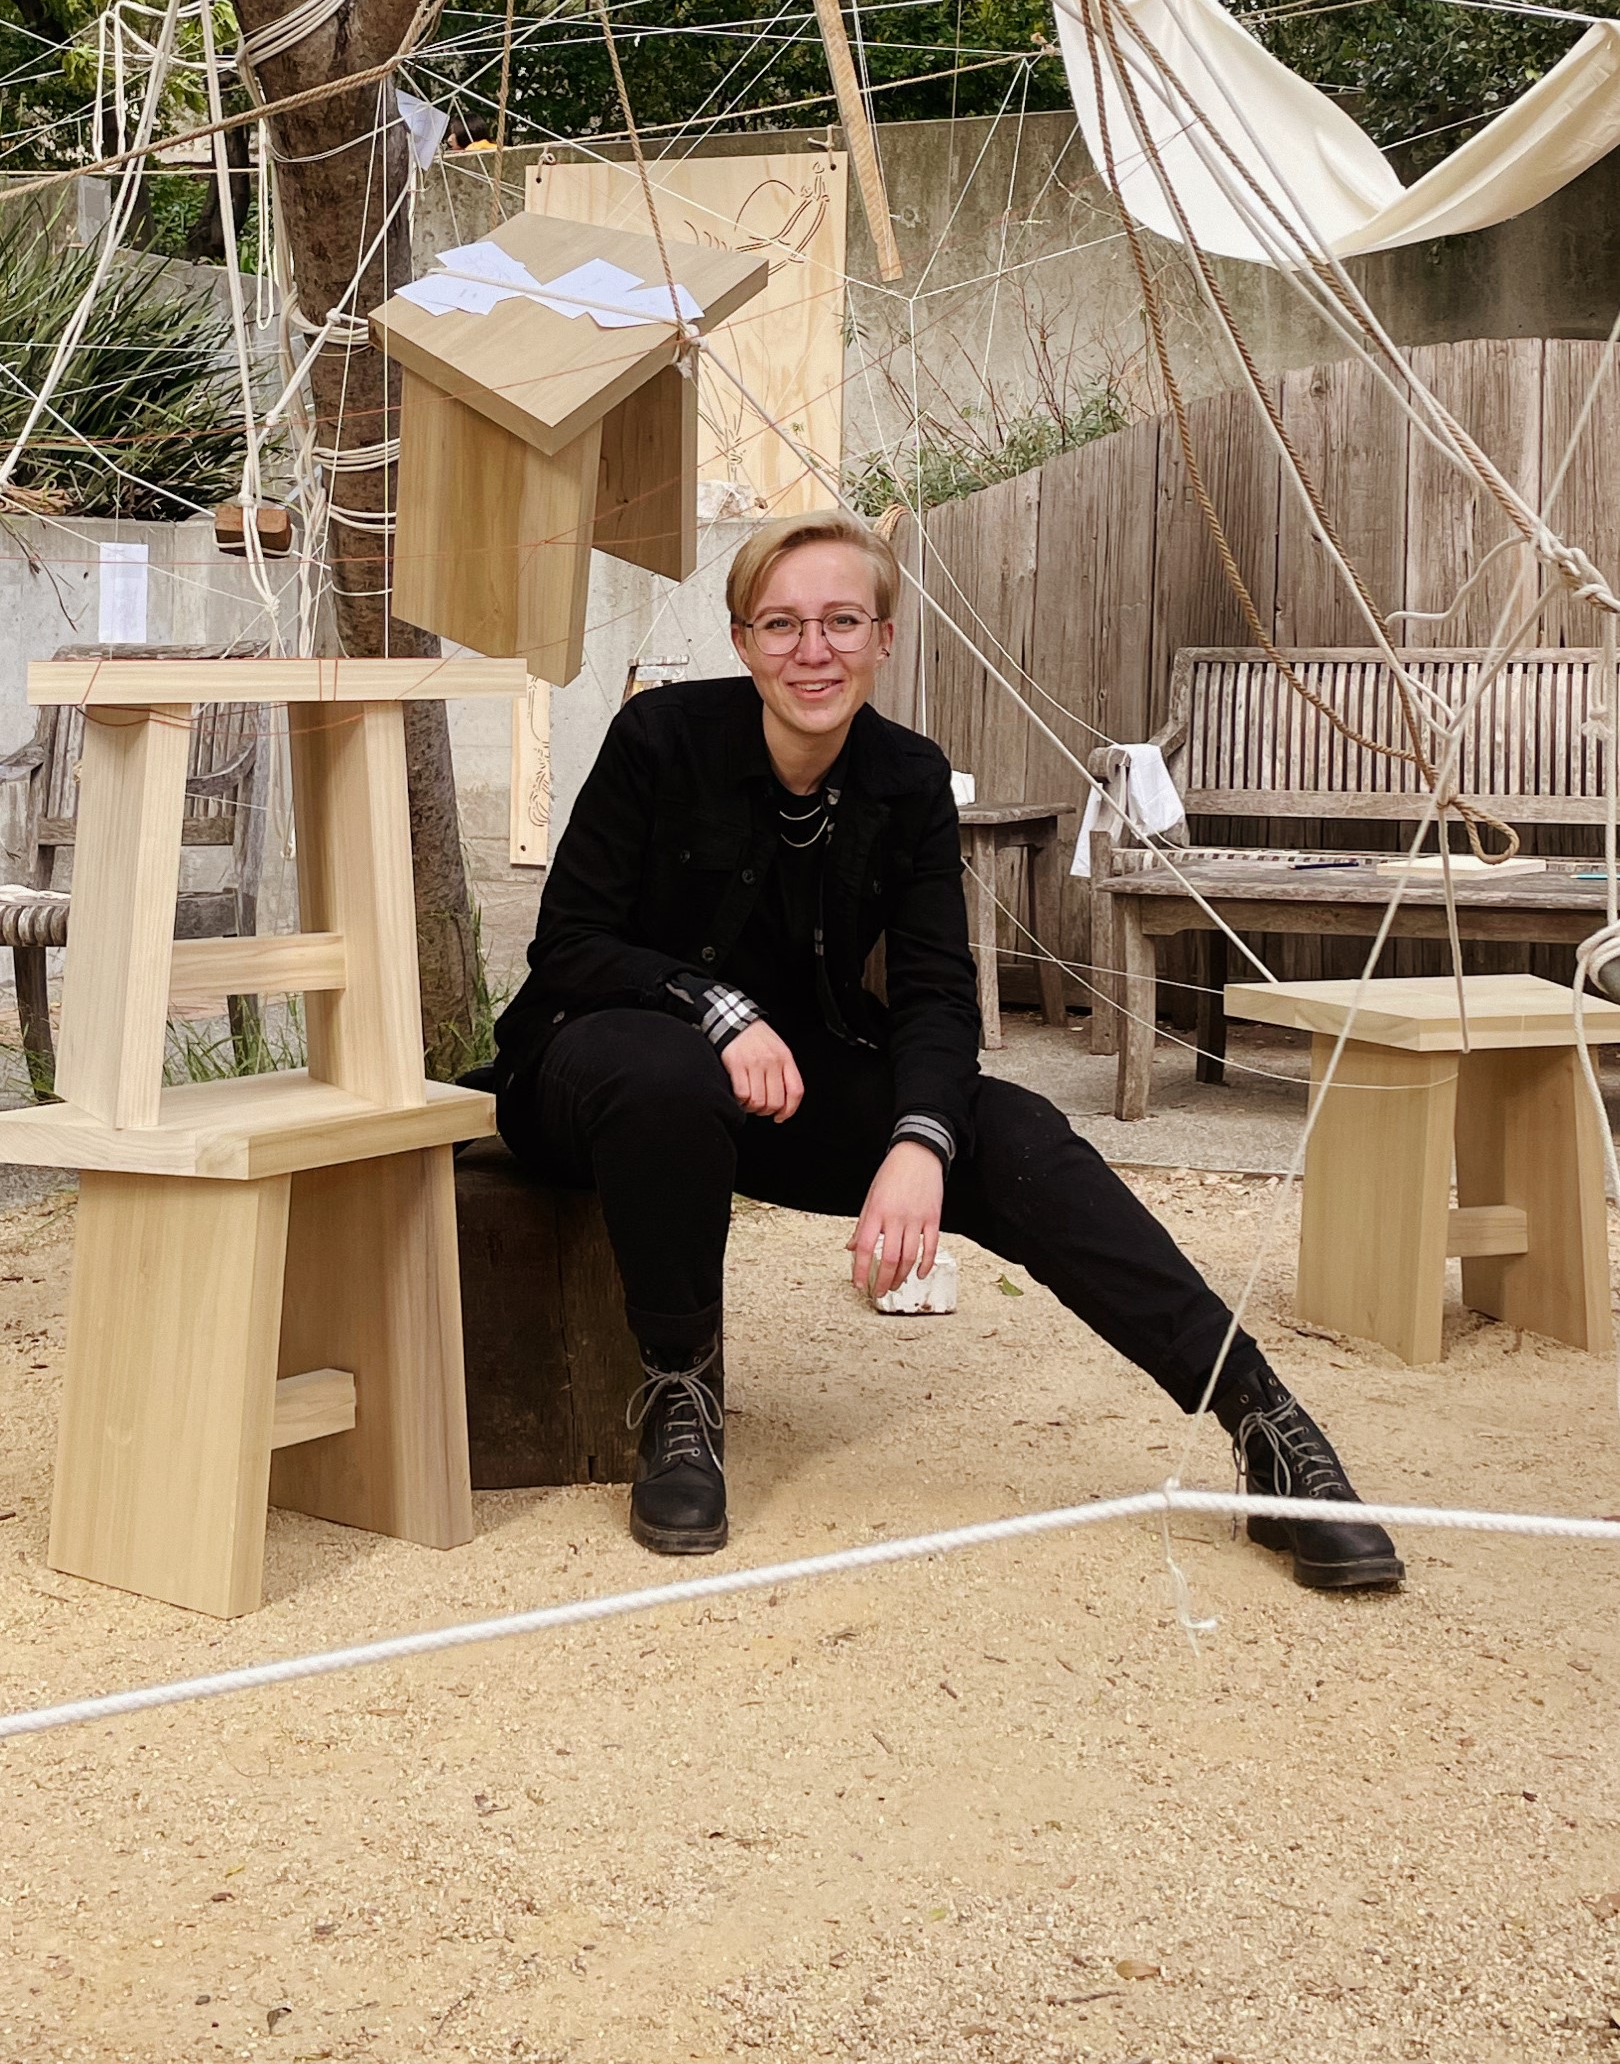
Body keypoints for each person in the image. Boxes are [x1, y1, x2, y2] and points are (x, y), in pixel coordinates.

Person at [492, 509, 1403, 1593]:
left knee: (1013, 1132)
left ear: (884, 636)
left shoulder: (906, 776)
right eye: (781, 623)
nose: (811, 650)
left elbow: (933, 990)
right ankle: (680, 1392)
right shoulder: (660, 740)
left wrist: (922, 1139)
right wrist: (714, 1006)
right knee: (669, 1070)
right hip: (591, 1075)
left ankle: (1261, 1418)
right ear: (742, 641)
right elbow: (570, 946)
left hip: (779, 1089)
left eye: (840, 620)